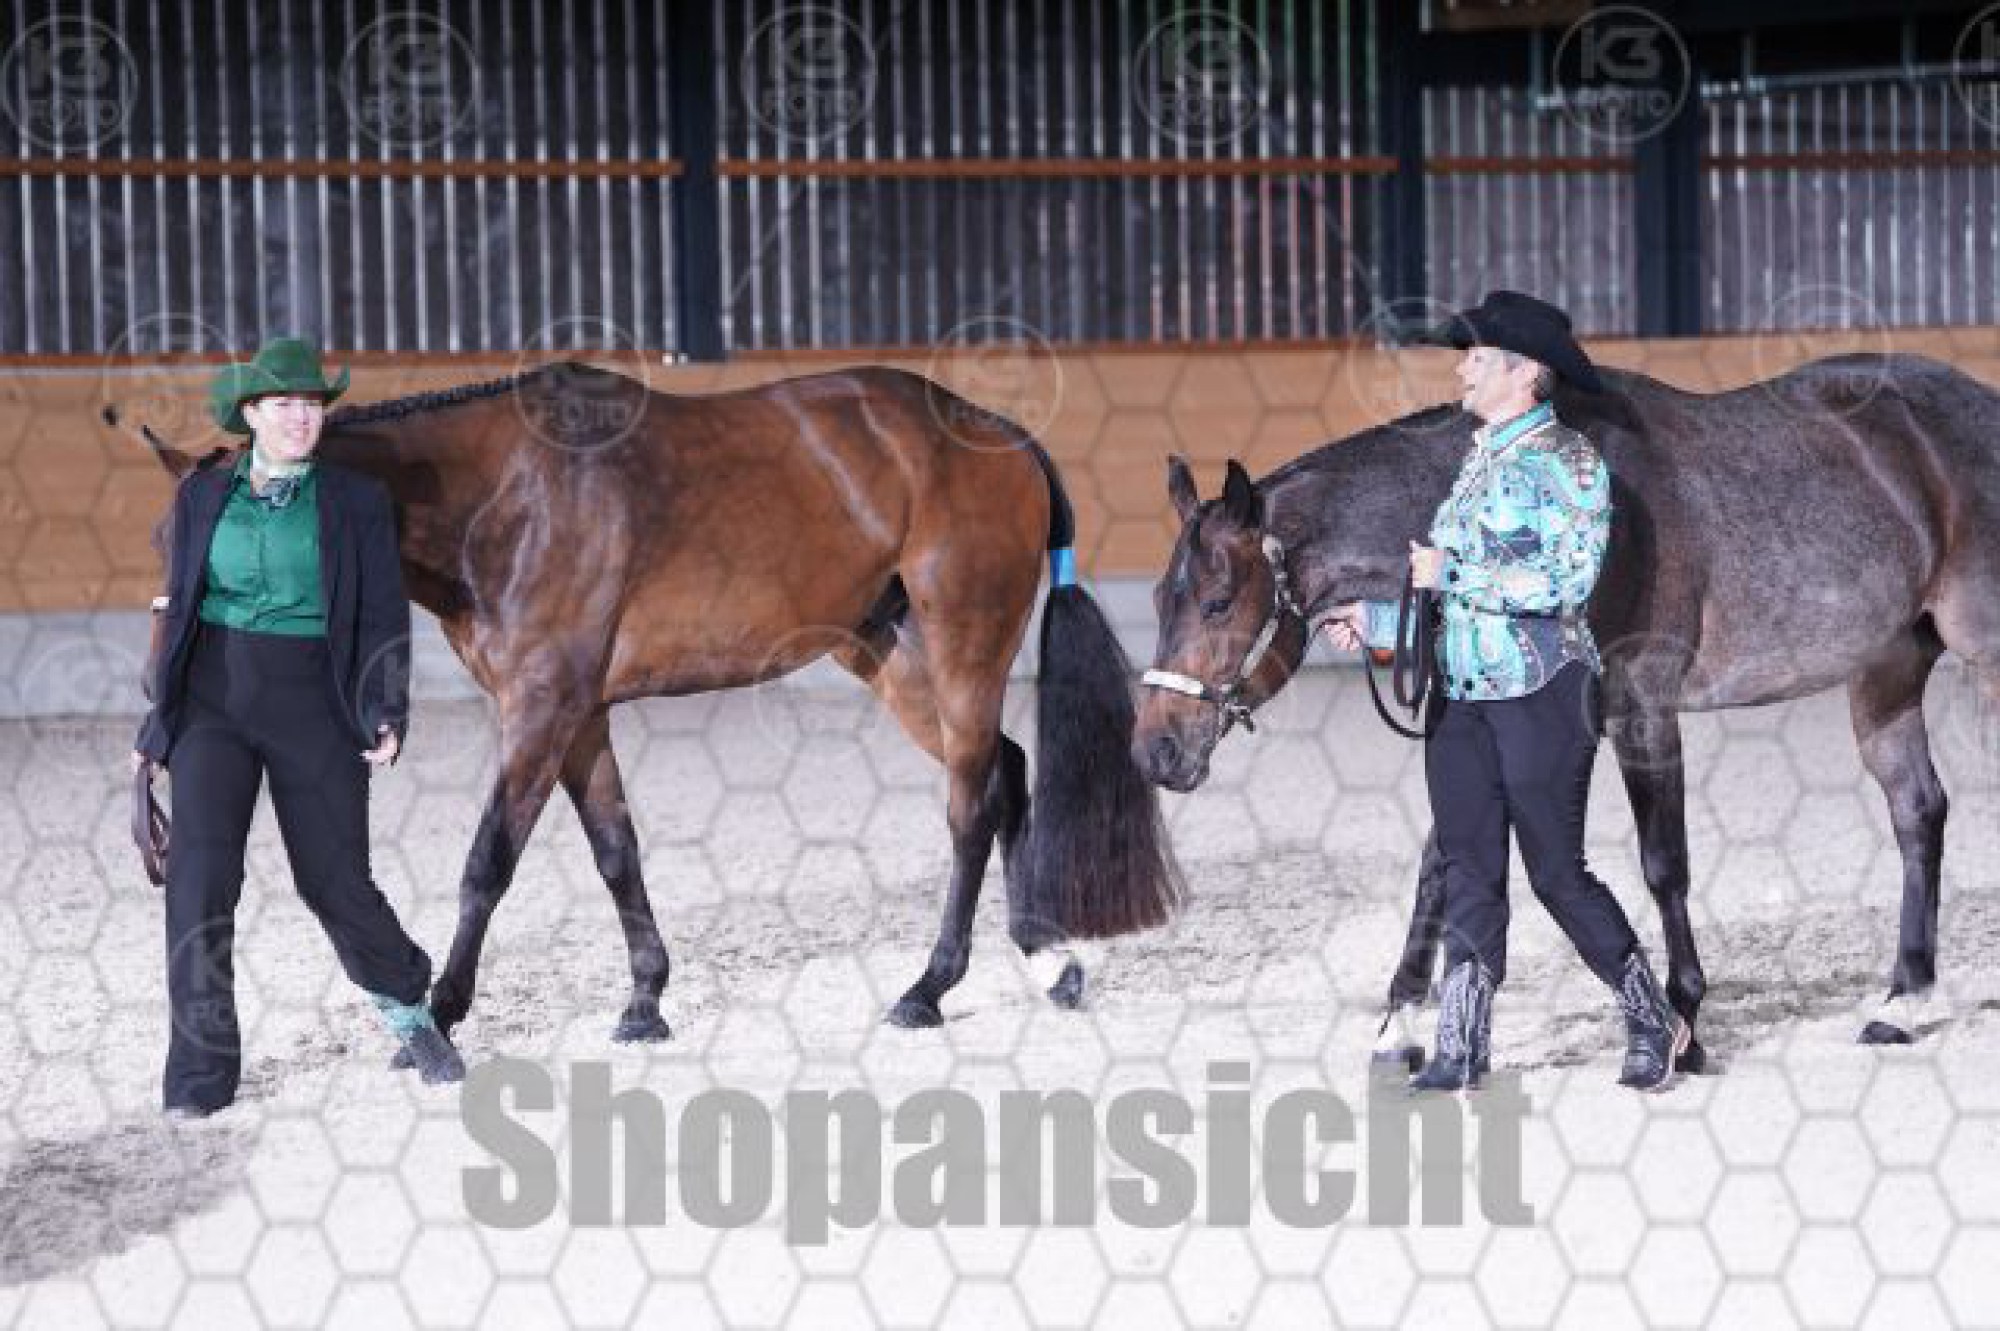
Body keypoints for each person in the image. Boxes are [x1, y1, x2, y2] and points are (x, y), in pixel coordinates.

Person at [1322, 291, 1686, 1092]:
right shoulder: (1477, 461)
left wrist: (1452, 571)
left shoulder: (1573, 464)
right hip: (1460, 694)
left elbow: (1568, 582)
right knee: (1468, 867)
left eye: (1477, 359)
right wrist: (1378, 622)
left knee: (1557, 873)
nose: (1462, 371)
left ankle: (1653, 1016)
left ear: (1525, 374)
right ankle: (1461, 1044)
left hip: (1543, 689)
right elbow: (1448, 595)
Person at [132, 335, 463, 1117]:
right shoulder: (202, 494)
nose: (300, 416)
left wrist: (385, 707)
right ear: (250, 413)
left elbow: (382, 613)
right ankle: (199, 1078)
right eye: (283, 403)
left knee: (333, 879)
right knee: (199, 882)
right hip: (213, 698)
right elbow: (178, 611)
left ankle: (408, 1004)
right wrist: (156, 725)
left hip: (316, 698)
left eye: (312, 404)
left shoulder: (355, 501)